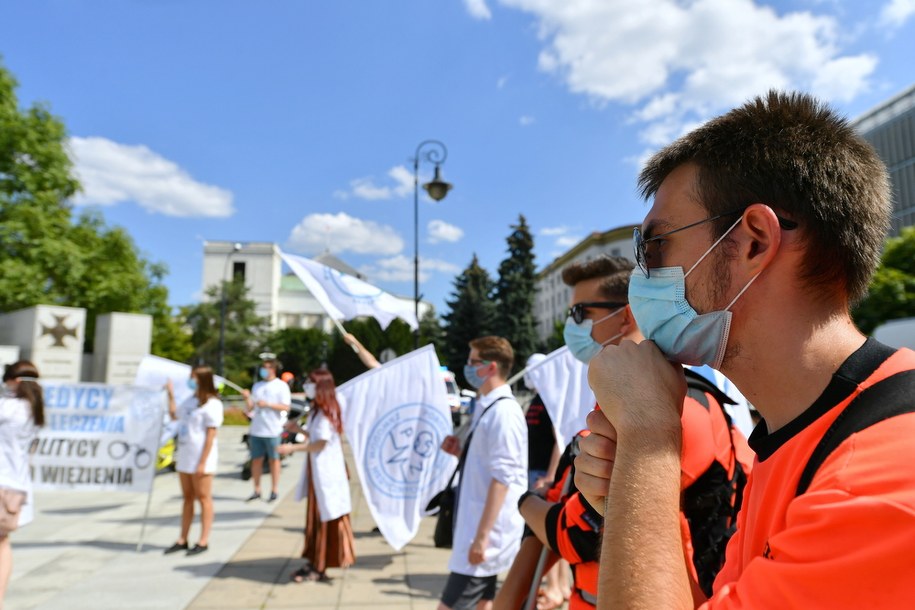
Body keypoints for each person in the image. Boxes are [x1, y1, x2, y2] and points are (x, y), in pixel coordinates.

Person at [574, 91, 915, 608]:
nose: (640, 278)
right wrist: (635, 501)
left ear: (754, 240)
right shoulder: (799, 435)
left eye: (654, 247)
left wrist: (646, 441)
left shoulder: (878, 478)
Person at [497, 255, 750, 609]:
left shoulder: (672, 407)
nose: (574, 326)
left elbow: (575, 533)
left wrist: (525, 503)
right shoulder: (637, 400)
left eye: (581, 314)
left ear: (626, 316)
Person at [437, 336, 527, 610]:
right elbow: (488, 465)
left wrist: (482, 537)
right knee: (485, 603)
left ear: (490, 367)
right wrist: (462, 452)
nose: (467, 367)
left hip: (485, 531)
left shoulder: (504, 413)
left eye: (472, 361)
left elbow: (503, 478)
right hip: (477, 525)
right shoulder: (487, 406)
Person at [278, 367, 355, 583]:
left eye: (311, 383)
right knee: (316, 520)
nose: (306, 387)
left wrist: (292, 449)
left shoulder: (328, 412)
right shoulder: (318, 410)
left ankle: (320, 565)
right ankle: (315, 561)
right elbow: (317, 437)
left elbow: (320, 443)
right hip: (318, 474)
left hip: (327, 475)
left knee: (324, 521)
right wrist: (299, 431)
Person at [520, 354, 568, 610]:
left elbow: (559, 441)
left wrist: (550, 476)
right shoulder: (538, 397)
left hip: (543, 474)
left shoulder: (551, 398)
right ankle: (557, 587)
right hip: (534, 470)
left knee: (546, 532)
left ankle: (556, 588)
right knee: (550, 533)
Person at [163, 365, 224, 556]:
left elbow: (211, 435)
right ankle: (183, 538)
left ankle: (203, 540)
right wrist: (170, 395)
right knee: (188, 497)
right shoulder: (191, 400)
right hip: (185, 454)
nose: (190, 381)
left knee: (204, 498)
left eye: (193, 378)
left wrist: (202, 462)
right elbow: (175, 415)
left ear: (202, 379)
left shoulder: (213, 404)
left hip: (201, 458)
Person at [0, 361, 44, 606]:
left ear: (15, 381)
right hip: (16, 486)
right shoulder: (34, 408)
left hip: (2, 482)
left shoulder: (7, 408)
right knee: (3, 544)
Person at [242, 357, 291, 502]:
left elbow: (286, 406)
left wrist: (268, 404)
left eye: (267, 367)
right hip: (257, 429)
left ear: (273, 369)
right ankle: (257, 490)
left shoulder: (281, 386)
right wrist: (247, 399)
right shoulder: (257, 386)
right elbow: (251, 406)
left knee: (274, 460)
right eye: (263, 367)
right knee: (256, 460)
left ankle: (274, 490)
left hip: (273, 430)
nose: (264, 370)